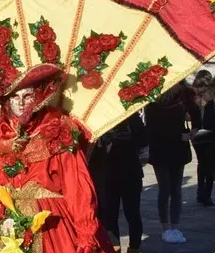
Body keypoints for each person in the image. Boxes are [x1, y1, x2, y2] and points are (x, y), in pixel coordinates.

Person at [0, 64, 111, 253]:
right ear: (7, 102)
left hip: (53, 226)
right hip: (5, 226)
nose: (21, 102)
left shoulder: (56, 134)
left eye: (27, 96)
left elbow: (77, 187)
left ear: (38, 97)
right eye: (15, 97)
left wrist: (85, 231)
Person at [145, 81, 201, 244]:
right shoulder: (153, 98)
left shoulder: (184, 96)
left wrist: (192, 132)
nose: (177, 86)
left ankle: (175, 226)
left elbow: (197, 115)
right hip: (160, 148)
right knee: (165, 188)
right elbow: (152, 128)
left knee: (176, 188)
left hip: (178, 149)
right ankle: (165, 227)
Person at [90, 113, 148, 253]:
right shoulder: (102, 121)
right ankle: (115, 248)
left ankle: (133, 248)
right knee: (111, 215)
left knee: (131, 214)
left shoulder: (132, 118)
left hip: (129, 174)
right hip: (110, 175)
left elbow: (143, 145)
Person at [190, 70, 215, 207]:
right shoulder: (210, 99)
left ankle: (201, 192)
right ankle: (206, 195)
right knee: (209, 165)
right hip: (208, 134)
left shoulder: (193, 97)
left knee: (202, 164)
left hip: (197, 134)